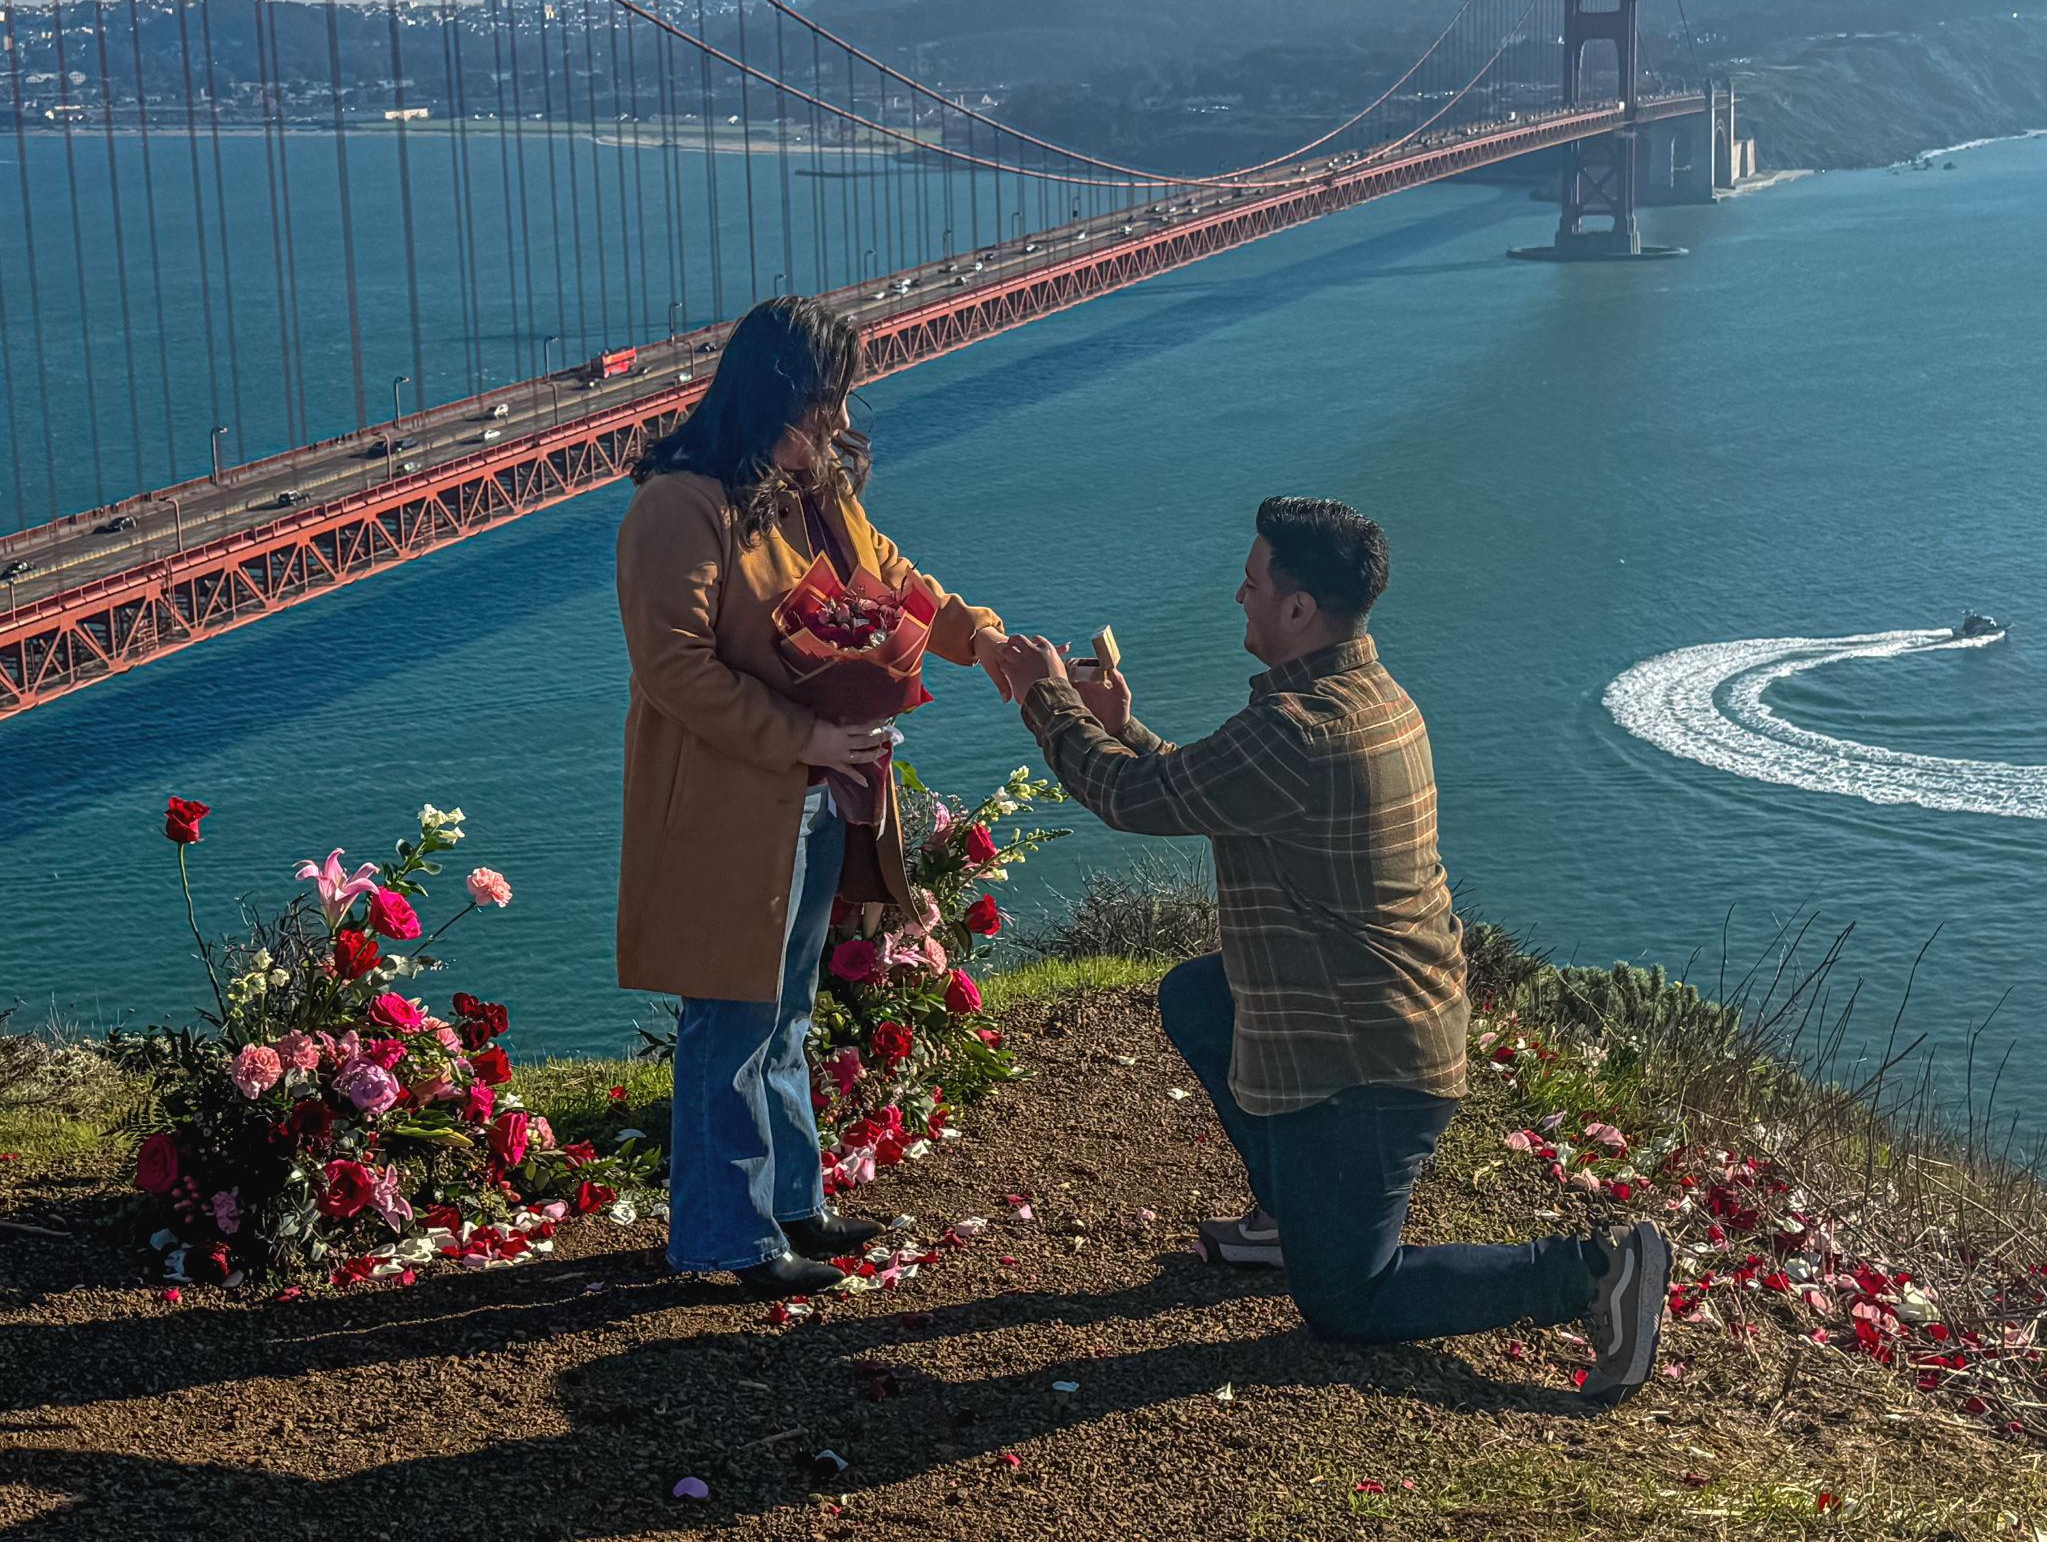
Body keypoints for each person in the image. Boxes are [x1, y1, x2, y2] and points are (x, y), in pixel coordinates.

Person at [1002, 496, 1671, 1405]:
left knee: (1348, 1301)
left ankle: (1595, 1271)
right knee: (1201, 998)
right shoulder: (1361, 699)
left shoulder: (1297, 730)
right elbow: (1202, 786)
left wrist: (1045, 698)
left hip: (1366, 1065)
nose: (1238, 594)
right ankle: (1290, 1212)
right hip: (1379, 1014)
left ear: (1298, 609)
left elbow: (1131, 799)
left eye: (1253, 580)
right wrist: (1118, 723)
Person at [616, 296, 1015, 1295]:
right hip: (728, 800)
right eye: (821, 404)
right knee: (730, 1015)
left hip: (817, 792)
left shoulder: (815, 486)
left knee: (786, 1006)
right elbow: (674, 669)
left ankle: (790, 1201)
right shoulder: (680, 503)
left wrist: (987, 640)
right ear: (771, 397)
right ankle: (724, 1236)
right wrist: (806, 736)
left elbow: (895, 582)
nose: (838, 423)